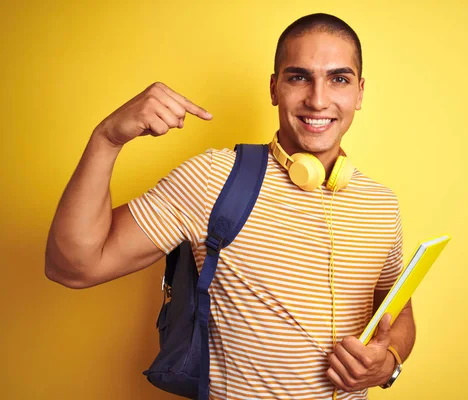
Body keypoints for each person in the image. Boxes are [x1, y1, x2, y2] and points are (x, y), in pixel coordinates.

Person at [45, 13, 416, 400]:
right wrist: (106, 139)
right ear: (274, 88)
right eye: (298, 77)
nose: (318, 99)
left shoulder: (382, 204)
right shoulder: (215, 177)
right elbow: (72, 266)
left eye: (338, 79)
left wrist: (389, 361)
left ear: (359, 92)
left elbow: (398, 308)